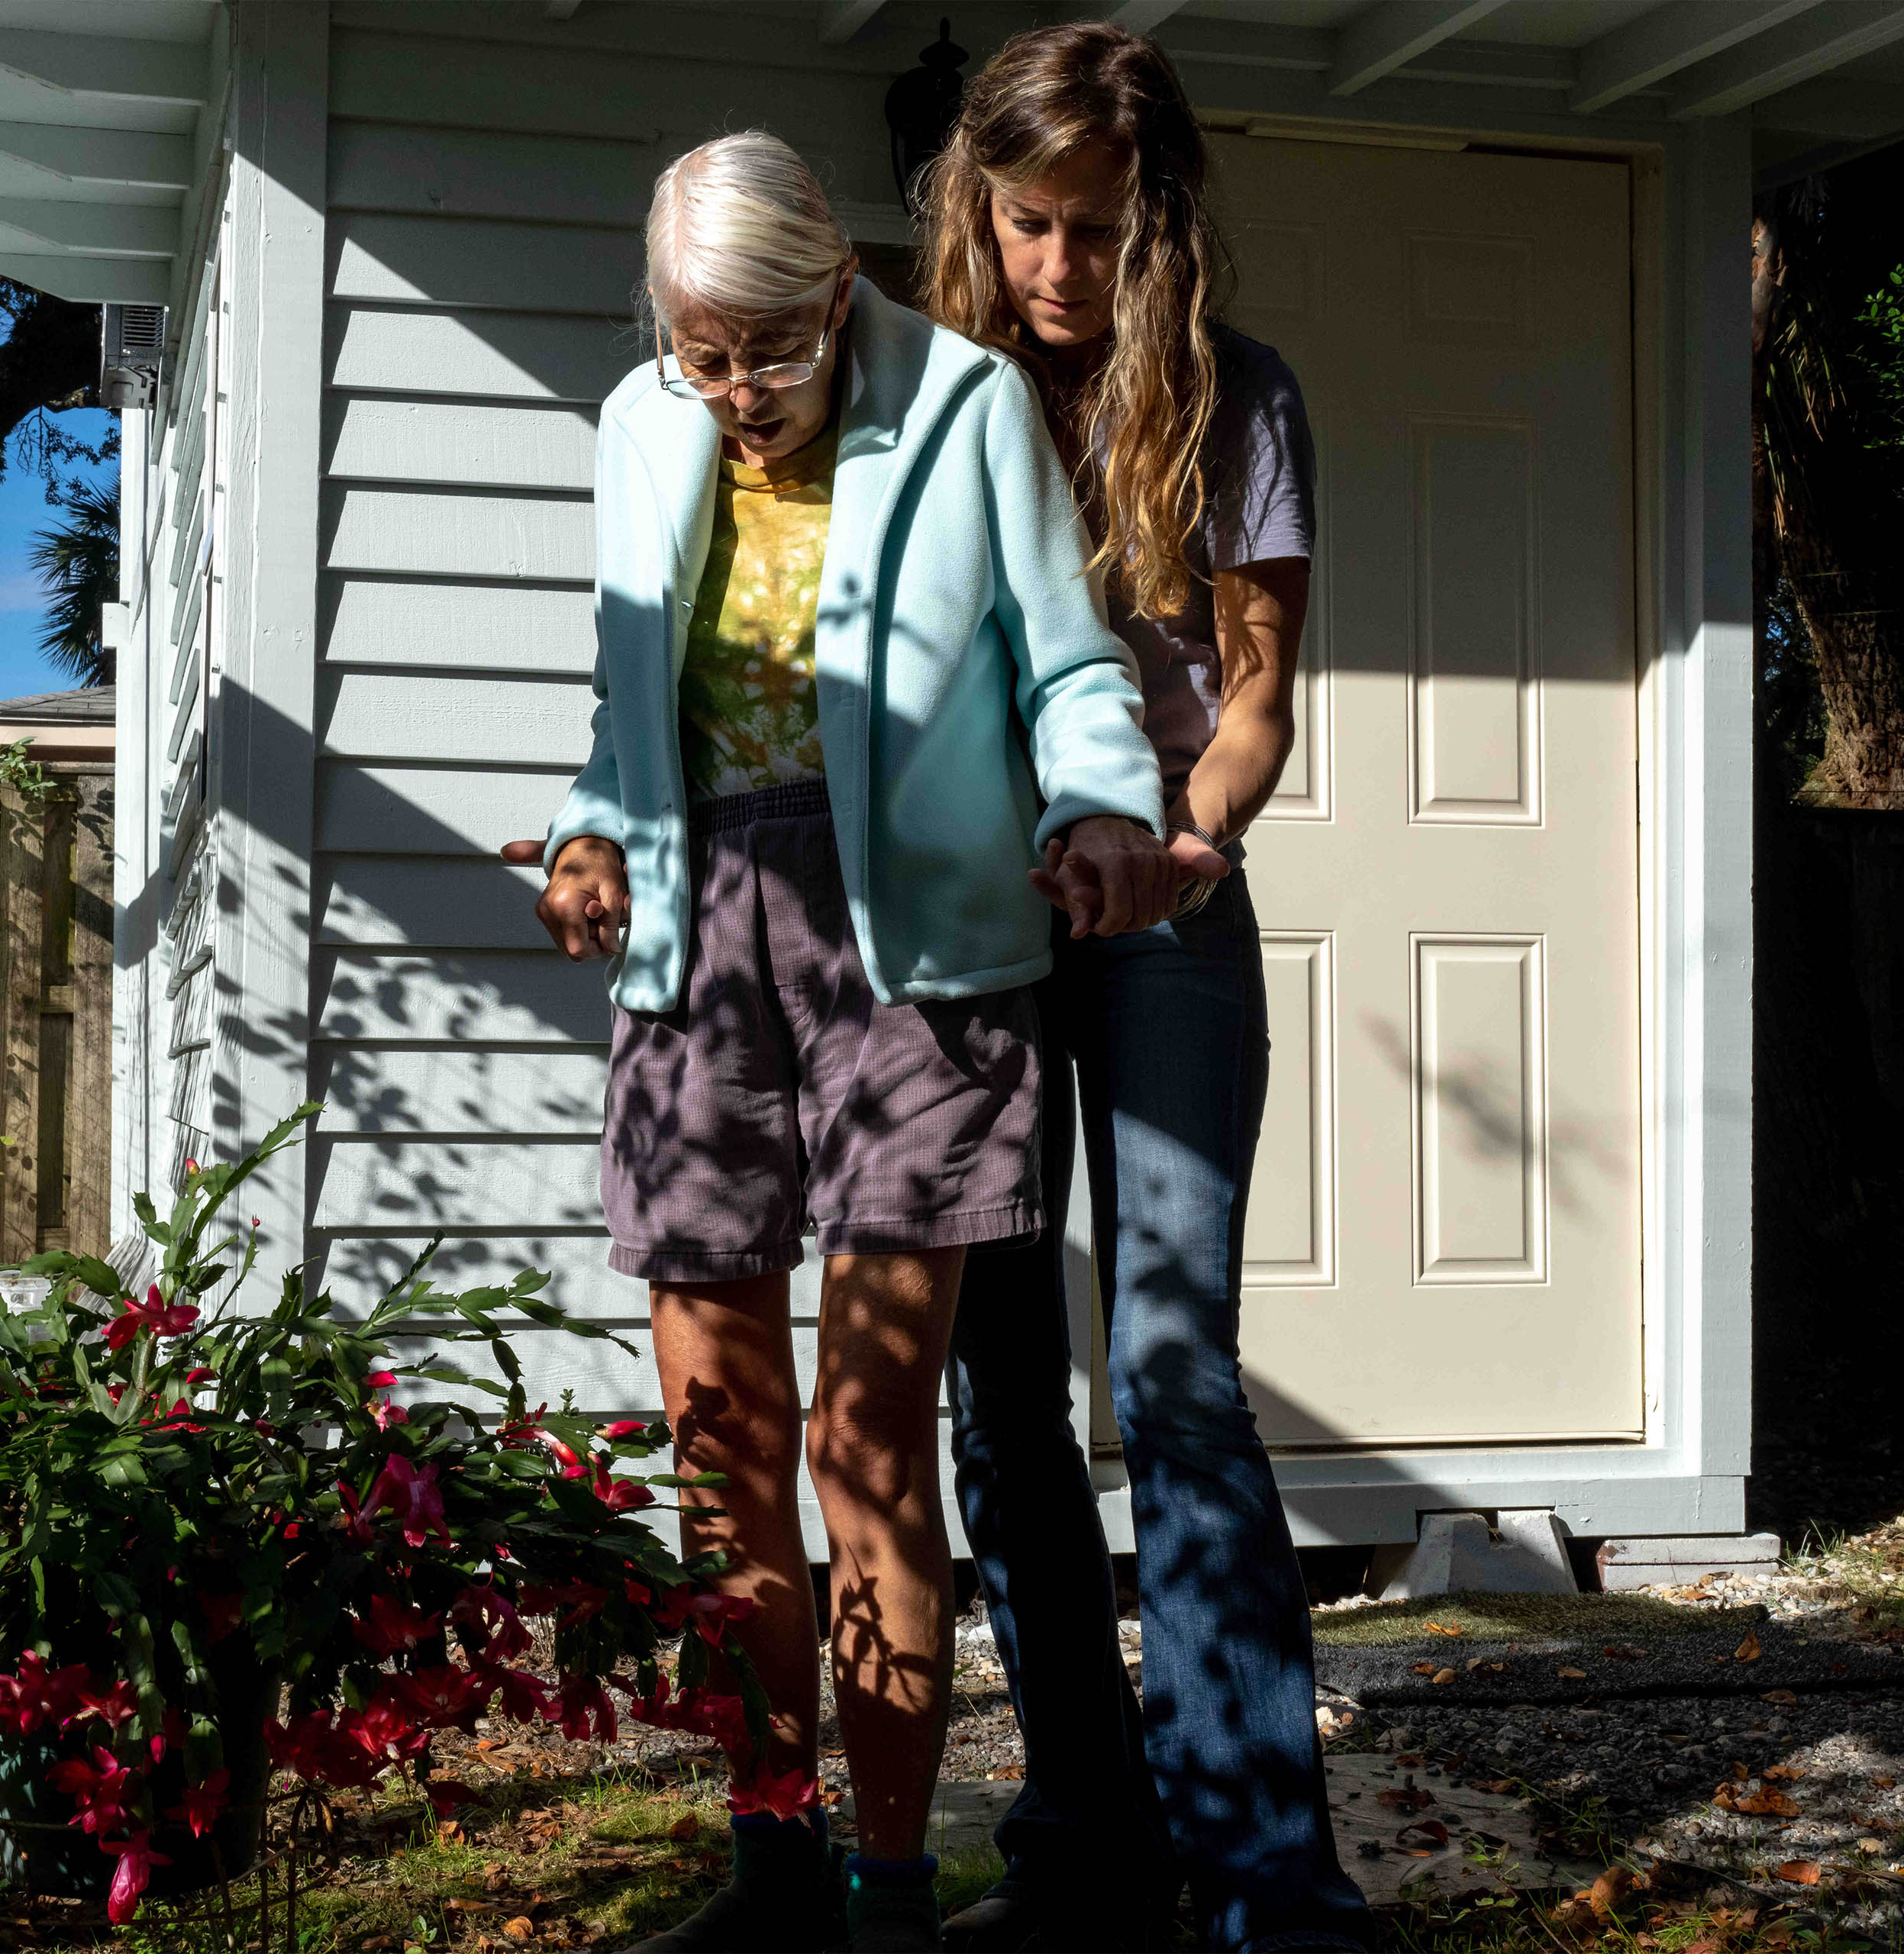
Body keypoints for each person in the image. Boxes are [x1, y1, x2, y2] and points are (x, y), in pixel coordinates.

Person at [505, 131, 1181, 1953]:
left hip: (920, 958)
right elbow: (628, 714)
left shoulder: (965, 406)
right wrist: (589, 843)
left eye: (771, 351)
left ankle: (889, 1892)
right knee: (722, 1439)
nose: (735, 392)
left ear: (842, 287)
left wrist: (1101, 807)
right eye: (701, 353)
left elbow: (1072, 664)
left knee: (870, 1440)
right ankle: (773, 1864)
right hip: (698, 946)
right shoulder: (640, 424)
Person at [918, 26, 1374, 1954]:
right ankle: (1088, 1843)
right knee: (1002, 1387)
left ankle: (1267, 1872)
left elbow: (1258, 695)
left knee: (1175, 1367)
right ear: (980, 208)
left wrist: (1193, 833)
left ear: (1157, 222)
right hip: (980, 923)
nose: (1059, 265)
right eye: (1028, 223)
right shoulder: (919, 398)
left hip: (1170, 909)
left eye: (1098, 230)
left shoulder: (1237, 397)